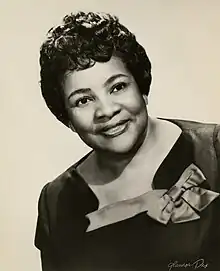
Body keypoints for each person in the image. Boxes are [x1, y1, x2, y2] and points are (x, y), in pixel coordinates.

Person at [35, 11, 220, 271]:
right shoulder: (55, 201)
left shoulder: (215, 151)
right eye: (83, 100)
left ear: (142, 88)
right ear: (67, 120)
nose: (106, 110)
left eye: (117, 87)